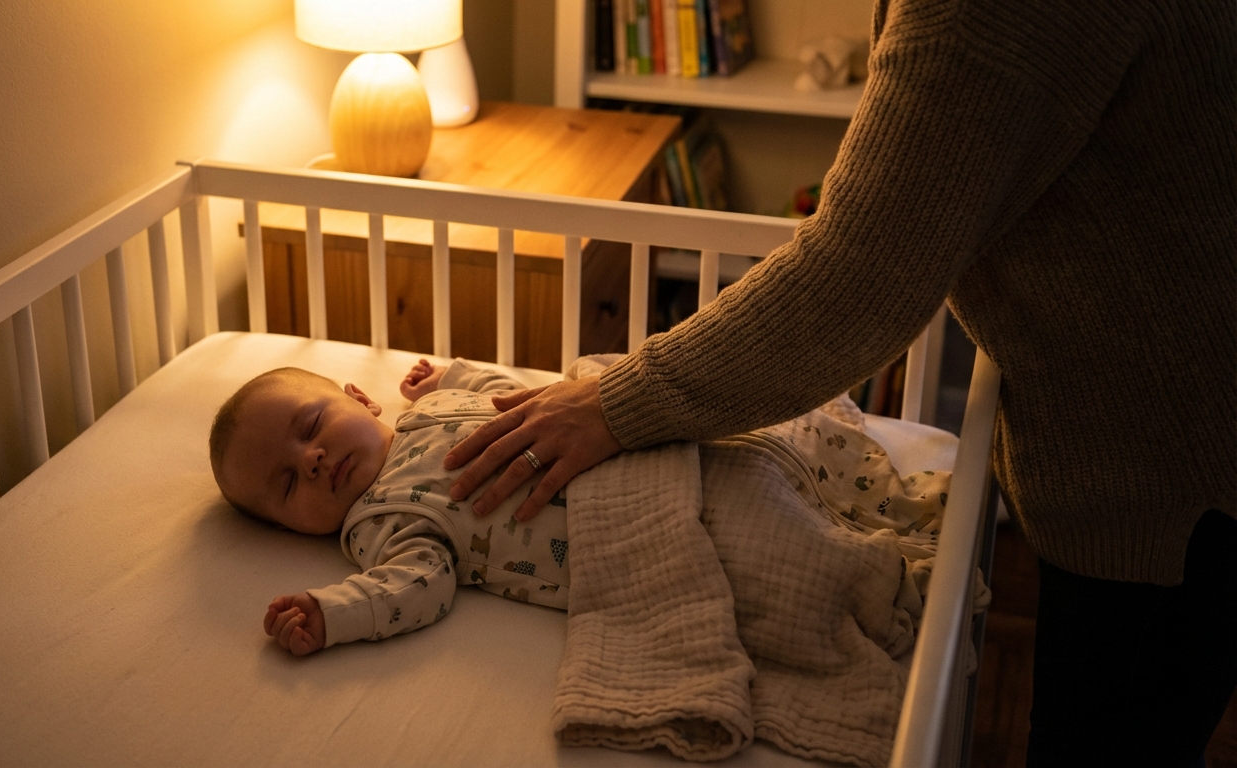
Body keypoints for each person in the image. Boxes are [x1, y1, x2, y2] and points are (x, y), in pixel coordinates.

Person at [443, 0, 1235, 765]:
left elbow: (860, 276)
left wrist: (619, 402)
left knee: (1120, 733)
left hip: (1175, 459)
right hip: (1165, 421)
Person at [208, 360, 572, 657]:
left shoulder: (431, 405)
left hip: (593, 434)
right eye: (287, 484)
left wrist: (451, 376)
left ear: (363, 400)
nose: (310, 460)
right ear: (290, 527)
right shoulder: (377, 524)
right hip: (596, 524)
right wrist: (331, 612)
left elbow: (507, 395)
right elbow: (419, 584)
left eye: (311, 426)